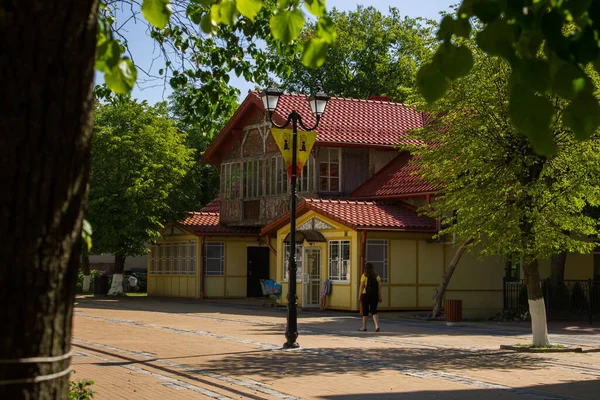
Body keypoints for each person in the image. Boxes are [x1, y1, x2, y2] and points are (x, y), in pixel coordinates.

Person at [358, 263, 382, 332]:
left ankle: (364, 327)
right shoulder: (377, 276)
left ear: (366, 268)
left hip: (365, 295)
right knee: (374, 310)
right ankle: (377, 326)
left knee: (365, 311)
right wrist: (379, 296)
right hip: (374, 295)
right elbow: (379, 287)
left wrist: (359, 296)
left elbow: (361, 287)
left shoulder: (364, 276)